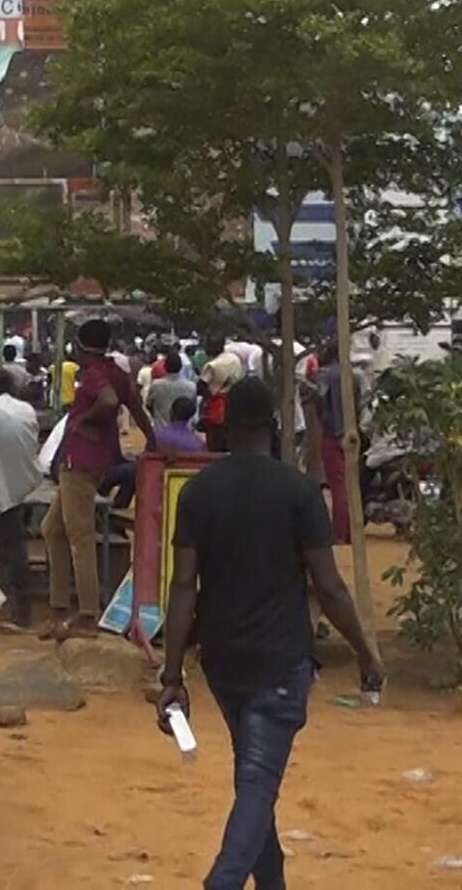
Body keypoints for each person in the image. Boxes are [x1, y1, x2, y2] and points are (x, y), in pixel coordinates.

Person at [156, 378, 383, 890]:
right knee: (258, 782)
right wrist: (366, 653)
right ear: (274, 428)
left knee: (253, 775)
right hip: (280, 662)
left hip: (222, 662)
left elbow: (183, 587)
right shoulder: (298, 492)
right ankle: (224, 880)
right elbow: (328, 586)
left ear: (224, 427)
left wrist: (172, 675)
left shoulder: (197, 493)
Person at [43, 319, 154, 641]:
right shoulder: (116, 371)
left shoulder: (93, 375)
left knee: (79, 537)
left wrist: (84, 421)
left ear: (79, 346)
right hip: (97, 460)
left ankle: (88, 615)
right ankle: (59, 609)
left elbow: (107, 402)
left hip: (78, 461)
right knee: (54, 529)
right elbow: (135, 405)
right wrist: (152, 440)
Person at [0, 370, 41, 627]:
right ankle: (11, 603)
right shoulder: (26, 409)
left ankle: (18, 609)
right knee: (9, 543)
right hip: (27, 482)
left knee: (9, 547)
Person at [315, 344, 356, 546]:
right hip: (351, 433)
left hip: (332, 433)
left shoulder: (326, 376)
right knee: (349, 482)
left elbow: (320, 398)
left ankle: (340, 531)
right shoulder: (353, 374)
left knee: (337, 484)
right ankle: (351, 529)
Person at [147, 351, 197, 427]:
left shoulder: (156, 385)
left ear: (165, 367)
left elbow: (149, 405)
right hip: (184, 431)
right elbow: (193, 409)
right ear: (181, 367)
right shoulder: (191, 386)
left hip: (161, 429)